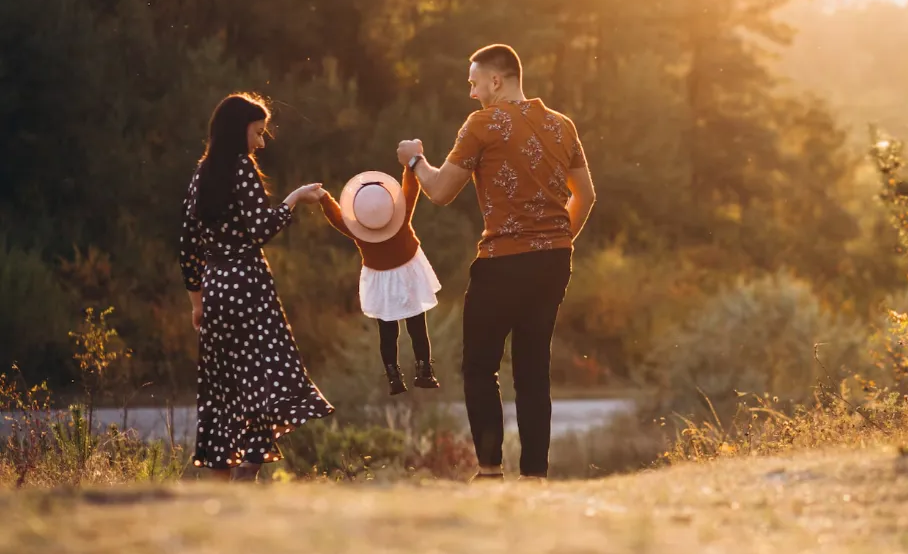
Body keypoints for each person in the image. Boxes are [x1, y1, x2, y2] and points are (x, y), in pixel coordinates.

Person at [396, 44, 596, 481]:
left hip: (502, 262)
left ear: (496, 80)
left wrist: (414, 159)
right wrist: (556, 241)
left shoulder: (483, 124)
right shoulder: (562, 125)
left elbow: (441, 191)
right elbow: (588, 195)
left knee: (480, 366)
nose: (471, 93)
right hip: (554, 263)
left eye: (473, 83)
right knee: (532, 368)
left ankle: (489, 471)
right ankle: (534, 477)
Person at [179, 93, 334, 481]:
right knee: (266, 376)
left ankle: (220, 478)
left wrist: (197, 302)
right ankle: (249, 465)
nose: (260, 143)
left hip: (215, 289)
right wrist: (296, 198)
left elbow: (187, 243)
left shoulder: (202, 173)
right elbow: (262, 228)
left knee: (223, 387)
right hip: (248, 285)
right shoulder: (240, 167)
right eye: (258, 133)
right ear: (238, 131)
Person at [318, 167, 442, 395]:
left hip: (380, 278)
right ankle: (424, 372)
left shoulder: (359, 230)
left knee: (387, 332)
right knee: (417, 327)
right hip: (408, 274)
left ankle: (394, 377)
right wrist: (409, 167)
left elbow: (336, 218)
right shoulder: (401, 216)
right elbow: (411, 190)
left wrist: (325, 199)